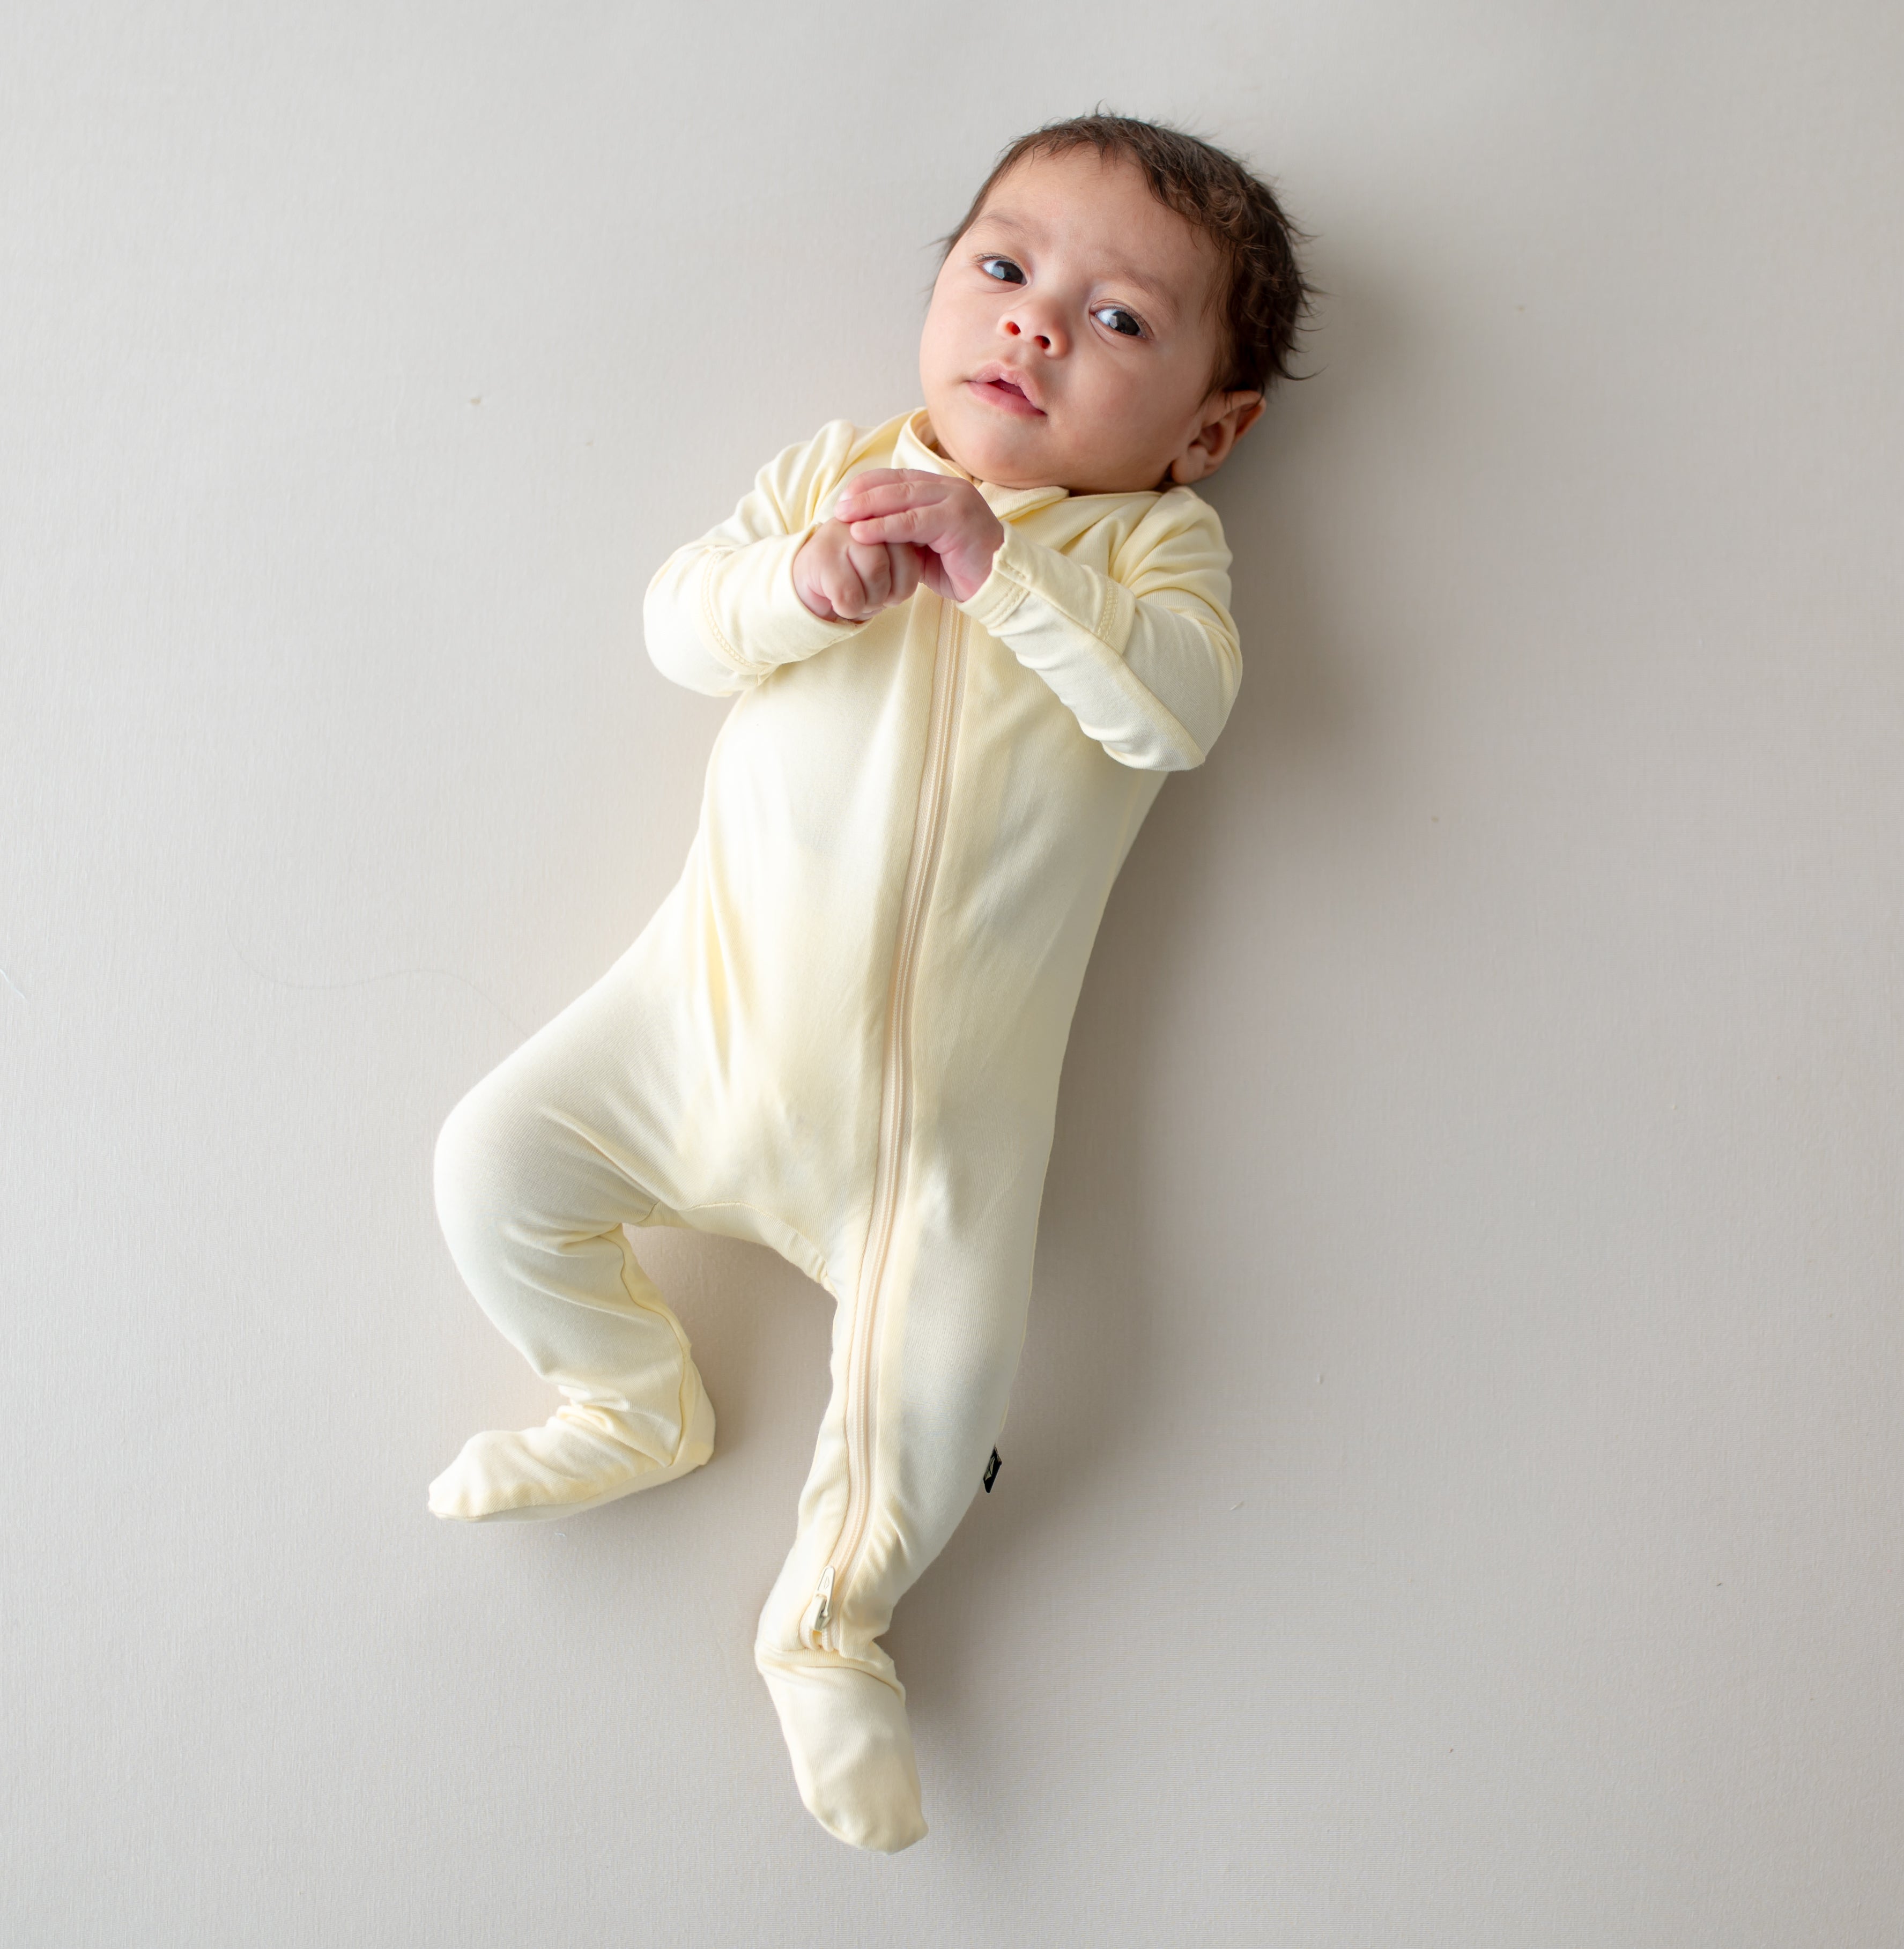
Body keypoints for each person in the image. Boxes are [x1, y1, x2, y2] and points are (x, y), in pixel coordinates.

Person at [427, 112, 1312, 1852]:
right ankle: (628, 1391)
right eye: (1001, 269)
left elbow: (1172, 716)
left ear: (1212, 429)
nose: (1037, 325)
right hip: (691, 1029)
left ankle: (825, 1623)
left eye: (1120, 318)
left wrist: (1004, 570)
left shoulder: (1150, 561)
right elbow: (681, 623)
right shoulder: (838, 469)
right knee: (489, 1164)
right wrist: (798, 583)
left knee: (939, 1402)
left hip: (934, 1141)